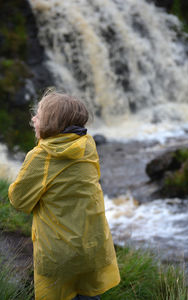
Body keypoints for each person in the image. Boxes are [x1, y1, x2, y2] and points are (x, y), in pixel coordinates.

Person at [8, 89, 120, 300]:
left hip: (57, 252)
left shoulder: (41, 156)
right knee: (87, 295)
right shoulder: (88, 145)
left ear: (51, 123)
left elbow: (18, 200)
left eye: (38, 116)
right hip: (92, 245)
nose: (33, 119)